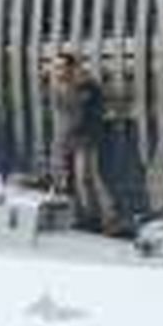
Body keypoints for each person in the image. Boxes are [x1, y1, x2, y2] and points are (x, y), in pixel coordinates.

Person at [50, 52, 114, 230]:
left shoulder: (88, 87)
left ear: (71, 67)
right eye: (56, 67)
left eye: (61, 67)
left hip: (84, 141)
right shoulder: (57, 88)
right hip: (64, 141)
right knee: (67, 181)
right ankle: (76, 217)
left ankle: (99, 218)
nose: (57, 71)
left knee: (85, 179)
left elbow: (92, 112)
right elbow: (62, 117)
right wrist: (58, 142)